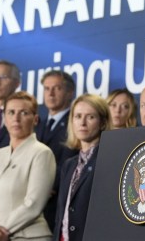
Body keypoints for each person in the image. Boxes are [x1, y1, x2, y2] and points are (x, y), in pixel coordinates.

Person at [0, 91, 56, 241]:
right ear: (4, 118)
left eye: (24, 113)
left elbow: (33, 204)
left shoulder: (42, 153)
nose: (16, 118)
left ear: (35, 119)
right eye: (11, 112)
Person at [54, 94, 111, 241]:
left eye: (90, 117)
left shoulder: (109, 160)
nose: (82, 123)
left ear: (103, 122)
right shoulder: (69, 164)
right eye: (78, 116)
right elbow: (61, 214)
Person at [35, 70, 77, 232]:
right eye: (46, 89)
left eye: (57, 88)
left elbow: (68, 163)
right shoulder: (39, 125)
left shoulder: (75, 123)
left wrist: (41, 188)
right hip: (34, 209)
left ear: (69, 92)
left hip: (57, 205)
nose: (50, 93)